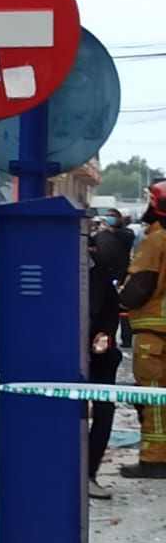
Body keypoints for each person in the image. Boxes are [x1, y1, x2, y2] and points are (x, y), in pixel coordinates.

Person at [117, 181, 166, 479]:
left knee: (153, 400)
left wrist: (119, 293)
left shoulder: (156, 240)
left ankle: (154, 460)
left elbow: (139, 289)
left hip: (155, 334)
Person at [87, 233, 123, 499]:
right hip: (61, 354)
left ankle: (88, 472)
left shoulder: (98, 270)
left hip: (98, 353)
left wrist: (103, 337)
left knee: (104, 410)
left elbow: (110, 310)